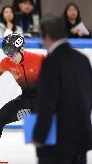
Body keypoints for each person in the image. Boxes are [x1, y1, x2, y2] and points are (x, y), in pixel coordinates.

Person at [0, 33, 45, 164]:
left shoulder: (39, 59)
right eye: (7, 55)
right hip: (26, 100)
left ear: (21, 49)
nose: (10, 58)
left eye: (12, 55)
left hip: (45, 101)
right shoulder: (7, 62)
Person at [33, 15, 92, 164]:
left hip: (57, 141)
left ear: (46, 36)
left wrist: (39, 136)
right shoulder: (83, 59)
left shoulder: (50, 62)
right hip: (81, 138)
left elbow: (47, 103)